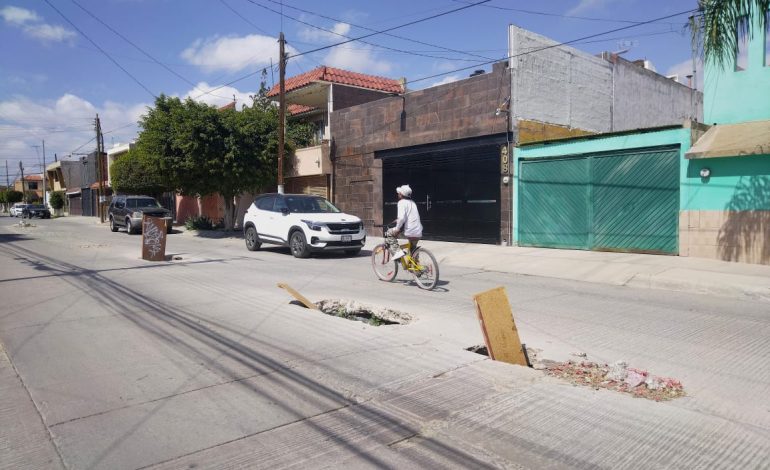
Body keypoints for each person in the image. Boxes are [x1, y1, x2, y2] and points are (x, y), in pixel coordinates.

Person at [386, 184, 423, 260]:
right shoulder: (412, 202)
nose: (398, 194)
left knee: (389, 233)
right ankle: (417, 268)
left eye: (399, 193)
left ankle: (397, 252)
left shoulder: (401, 203)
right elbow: (408, 216)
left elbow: (402, 218)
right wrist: (398, 220)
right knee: (413, 248)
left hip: (410, 231)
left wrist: (397, 229)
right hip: (418, 231)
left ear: (401, 194)